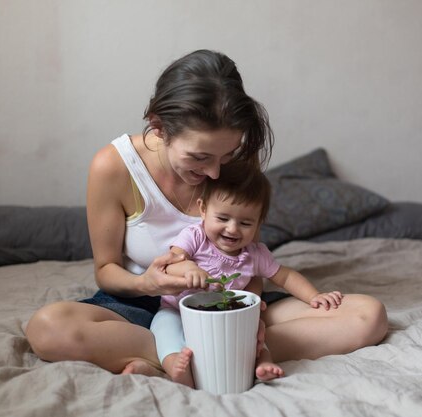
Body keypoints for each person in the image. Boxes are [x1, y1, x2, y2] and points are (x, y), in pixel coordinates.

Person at [24, 49, 388, 378]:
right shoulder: (114, 166)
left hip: (231, 300)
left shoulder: (238, 159)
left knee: (367, 316)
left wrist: (250, 309)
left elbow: (247, 255)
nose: (215, 173)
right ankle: (206, 355)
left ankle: (186, 358)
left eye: (226, 156)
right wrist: (146, 283)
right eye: (199, 157)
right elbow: (106, 272)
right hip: (146, 305)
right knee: (48, 328)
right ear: (159, 126)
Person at [150, 161, 345, 387]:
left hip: (228, 316)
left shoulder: (255, 255)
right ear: (203, 209)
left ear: (259, 222)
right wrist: (189, 269)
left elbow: (286, 276)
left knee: (254, 335)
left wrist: (314, 296)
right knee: (164, 330)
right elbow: (171, 263)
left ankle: (263, 363)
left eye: (245, 223)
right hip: (178, 310)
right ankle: (176, 365)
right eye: (222, 218)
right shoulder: (194, 236)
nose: (232, 229)